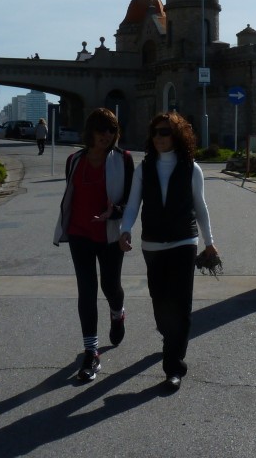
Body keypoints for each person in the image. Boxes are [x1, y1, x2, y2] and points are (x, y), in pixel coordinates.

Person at [119, 112, 219, 391]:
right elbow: (132, 204)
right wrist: (124, 230)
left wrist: (209, 241)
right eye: (156, 133)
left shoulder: (191, 168)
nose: (159, 137)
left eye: (165, 132)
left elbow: (200, 206)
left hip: (183, 241)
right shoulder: (145, 167)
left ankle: (173, 365)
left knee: (181, 303)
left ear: (177, 135)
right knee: (160, 303)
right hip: (151, 243)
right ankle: (169, 338)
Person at [52, 108, 134, 382]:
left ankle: (117, 313)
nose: (106, 135)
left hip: (109, 233)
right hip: (79, 233)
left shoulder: (123, 160)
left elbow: (132, 200)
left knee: (110, 285)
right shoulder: (75, 160)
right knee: (86, 290)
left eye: (111, 130)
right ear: (90, 132)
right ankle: (91, 351)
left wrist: (117, 211)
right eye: (101, 130)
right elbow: (72, 194)